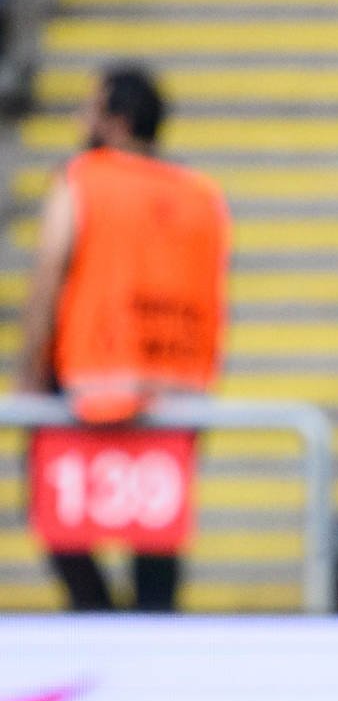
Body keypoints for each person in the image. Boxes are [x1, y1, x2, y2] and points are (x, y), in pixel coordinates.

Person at [15, 64, 229, 612]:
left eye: (89, 108)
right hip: (177, 396)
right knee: (157, 545)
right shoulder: (204, 196)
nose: (77, 119)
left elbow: (48, 280)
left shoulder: (83, 178)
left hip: (84, 391)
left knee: (57, 521)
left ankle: (100, 628)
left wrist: (28, 377)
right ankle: (145, 651)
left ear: (117, 120)